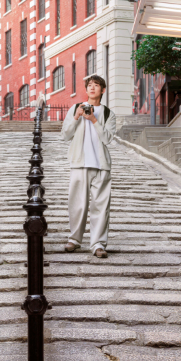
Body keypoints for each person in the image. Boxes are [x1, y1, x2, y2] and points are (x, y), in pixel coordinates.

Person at [60, 73, 116, 258]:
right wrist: (76, 117)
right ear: (86, 89)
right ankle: (74, 240)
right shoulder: (76, 108)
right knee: (77, 204)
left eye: (96, 85)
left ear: (103, 90)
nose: (92, 87)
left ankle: (98, 244)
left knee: (101, 205)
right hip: (79, 163)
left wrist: (93, 119)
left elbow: (107, 138)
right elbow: (65, 135)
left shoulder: (108, 114)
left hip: (101, 166)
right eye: (89, 85)